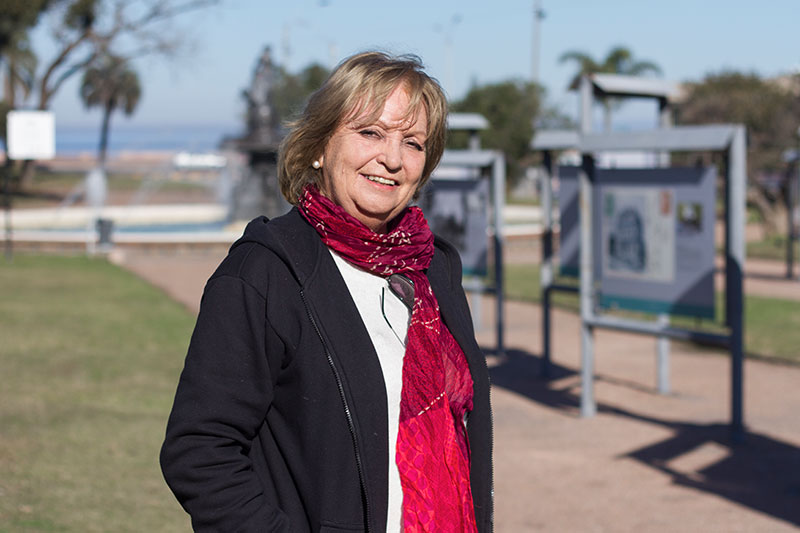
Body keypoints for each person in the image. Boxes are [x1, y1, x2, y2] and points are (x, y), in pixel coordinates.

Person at [160, 51, 493, 532]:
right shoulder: (264, 272)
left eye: (413, 142)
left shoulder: (434, 268)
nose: (393, 159)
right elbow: (200, 452)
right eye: (370, 133)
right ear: (319, 146)